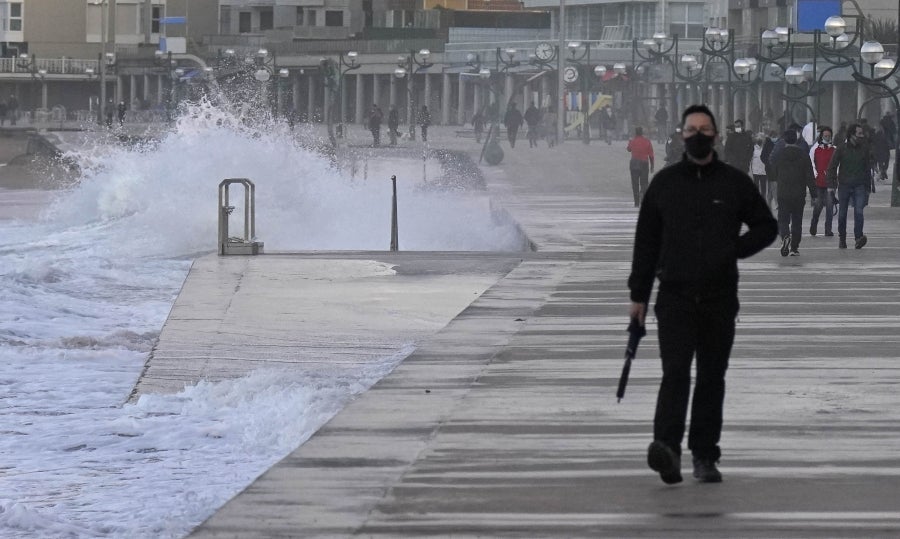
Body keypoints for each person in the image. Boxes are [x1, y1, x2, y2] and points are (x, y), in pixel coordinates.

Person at [628, 104, 777, 485]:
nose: (698, 135)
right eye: (691, 129)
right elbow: (645, 244)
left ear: (716, 135)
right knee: (675, 374)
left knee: (712, 377)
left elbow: (766, 226)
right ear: (681, 135)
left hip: (719, 298)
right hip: (674, 297)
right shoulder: (664, 184)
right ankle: (668, 449)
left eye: (705, 129)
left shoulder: (733, 183)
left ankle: (705, 456)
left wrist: (734, 250)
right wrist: (638, 296)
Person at [771, 129, 816, 256]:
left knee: (783, 219)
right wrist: (814, 194)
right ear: (796, 140)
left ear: (784, 140)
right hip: (799, 192)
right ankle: (794, 247)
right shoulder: (803, 155)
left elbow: (773, 172)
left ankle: (785, 236)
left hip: (783, 192)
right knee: (797, 220)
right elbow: (809, 175)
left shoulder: (779, 155)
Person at [827, 123, 872, 249]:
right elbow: (832, 166)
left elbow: (867, 168)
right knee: (842, 214)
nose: (861, 136)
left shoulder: (864, 149)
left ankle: (858, 237)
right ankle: (842, 238)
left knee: (859, 212)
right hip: (844, 186)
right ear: (852, 135)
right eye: (859, 134)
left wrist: (868, 188)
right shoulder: (841, 149)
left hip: (860, 185)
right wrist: (831, 185)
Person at [809, 126, 837, 237]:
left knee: (830, 206)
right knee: (818, 205)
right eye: (825, 136)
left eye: (829, 136)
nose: (827, 137)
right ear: (821, 136)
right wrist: (815, 175)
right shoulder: (815, 149)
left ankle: (828, 229)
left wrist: (836, 177)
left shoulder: (834, 149)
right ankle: (814, 223)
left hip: (831, 183)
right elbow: (811, 163)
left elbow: (837, 165)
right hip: (818, 182)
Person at [626, 126, 654, 207]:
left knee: (635, 184)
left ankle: (636, 202)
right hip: (644, 164)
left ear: (635, 132)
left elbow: (628, 149)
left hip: (634, 163)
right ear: (642, 133)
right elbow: (651, 155)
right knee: (644, 183)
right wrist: (652, 166)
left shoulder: (633, 141)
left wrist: (630, 142)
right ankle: (643, 198)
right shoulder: (647, 141)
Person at [750, 133, 768, 198]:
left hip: (764, 170)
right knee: (756, 186)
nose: (760, 140)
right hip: (755, 171)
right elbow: (751, 160)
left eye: (761, 139)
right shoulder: (753, 149)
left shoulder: (765, 148)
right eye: (759, 139)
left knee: (763, 187)